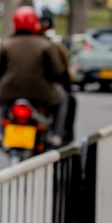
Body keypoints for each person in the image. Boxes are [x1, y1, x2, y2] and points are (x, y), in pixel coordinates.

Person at [0, 6, 68, 143]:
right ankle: (57, 134)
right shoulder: (46, 44)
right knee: (62, 98)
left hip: (10, 90)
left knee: (4, 99)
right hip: (42, 93)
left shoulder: (7, 44)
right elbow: (57, 72)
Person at [39, 8, 77, 144]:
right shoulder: (52, 46)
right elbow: (60, 71)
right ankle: (59, 135)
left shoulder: (10, 42)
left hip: (15, 88)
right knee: (66, 99)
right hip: (45, 89)